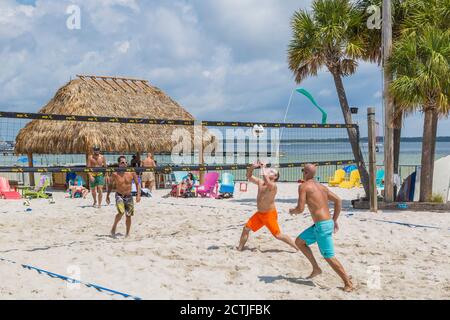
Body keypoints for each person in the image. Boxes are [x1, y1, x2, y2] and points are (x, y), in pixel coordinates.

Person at [289, 164, 353, 292]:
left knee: (328, 256)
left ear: (306, 173)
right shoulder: (322, 187)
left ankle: (348, 283)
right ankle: (316, 268)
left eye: (303, 171)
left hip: (322, 226)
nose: (302, 173)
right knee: (299, 242)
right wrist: (333, 220)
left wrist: (293, 211)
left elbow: (300, 209)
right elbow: (338, 201)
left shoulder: (303, 186)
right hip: (323, 224)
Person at [237, 161, 298, 252]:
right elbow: (249, 176)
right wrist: (252, 167)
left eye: (272, 172)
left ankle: (297, 247)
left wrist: (263, 167)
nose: (270, 172)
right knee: (246, 229)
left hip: (269, 215)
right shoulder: (261, 182)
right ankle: (239, 249)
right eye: (270, 171)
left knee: (278, 235)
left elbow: (266, 178)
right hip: (260, 214)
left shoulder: (273, 186)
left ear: (275, 177)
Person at [106, 156, 141, 238]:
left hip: (129, 196)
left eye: (126, 162)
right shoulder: (115, 173)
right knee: (121, 212)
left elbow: (137, 183)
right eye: (122, 162)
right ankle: (114, 226)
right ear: (119, 164)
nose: (125, 164)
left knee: (128, 215)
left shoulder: (131, 172)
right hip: (119, 195)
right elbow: (110, 185)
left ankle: (127, 233)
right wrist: (107, 196)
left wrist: (138, 194)